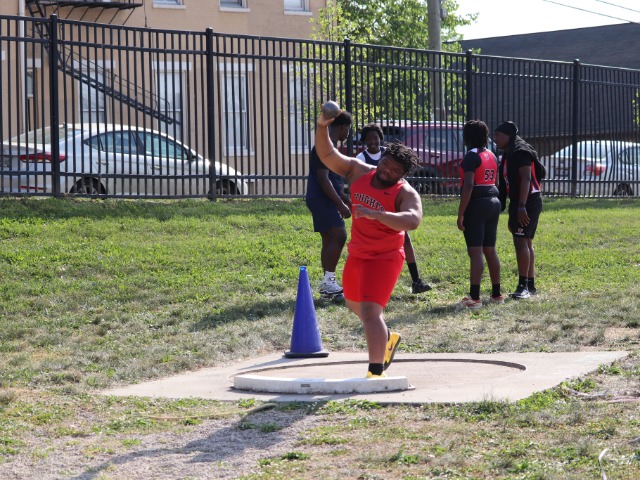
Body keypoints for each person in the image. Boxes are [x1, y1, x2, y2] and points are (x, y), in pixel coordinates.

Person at [315, 107, 423, 378]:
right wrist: (322, 126)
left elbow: (412, 220)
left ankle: (375, 372)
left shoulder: (405, 192)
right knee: (353, 304)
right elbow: (327, 156)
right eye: (386, 164)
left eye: (395, 171)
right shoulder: (358, 171)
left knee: (370, 312)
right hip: (358, 254)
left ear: (402, 175)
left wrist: (379, 215)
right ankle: (387, 338)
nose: (387, 171)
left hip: (386, 256)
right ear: (381, 158)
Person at [356, 123, 432, 295]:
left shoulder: (389, 154)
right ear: (364, 141)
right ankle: (368, 282)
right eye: (368, 139)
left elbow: (401, 179)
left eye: (375, 138)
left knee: (405, 239)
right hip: (373, 206)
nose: (372, 142)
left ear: (380, 138)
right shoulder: (361, 158)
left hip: (391, 203)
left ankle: (416, 280)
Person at [305, 111, 353, 300]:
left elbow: (332, 180)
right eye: (348, 129)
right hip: (321, 198)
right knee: (340, 236)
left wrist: (345, 199)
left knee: (329, 239)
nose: (348, 133)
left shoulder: (330, 146)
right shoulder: (324, 146)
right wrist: (340, 204)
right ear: (342, 127)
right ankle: (329, 282)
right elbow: (323, 180)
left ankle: (327, 285)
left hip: (323, 198)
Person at [493, 121, 543, 299]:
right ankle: (530, 284)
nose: (495, 139)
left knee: (521, 241)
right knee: (526, 241)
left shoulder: (520, 151)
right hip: (521, 201)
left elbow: (526, 178)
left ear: (508, 136)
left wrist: (521, 206)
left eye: (498, 135)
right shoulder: (509, 152)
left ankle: (523, 286)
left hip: (528, 201)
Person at [457, 120, 504, 309]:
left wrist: (461, 213)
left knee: (475, 251)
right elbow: (496, 182)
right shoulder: (491, 155)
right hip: (493, 201)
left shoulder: (471, 156)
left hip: (477, 204)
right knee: (490, 249)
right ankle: (497, 294)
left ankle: (474, 298)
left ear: (468, 137)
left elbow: (468, 185)